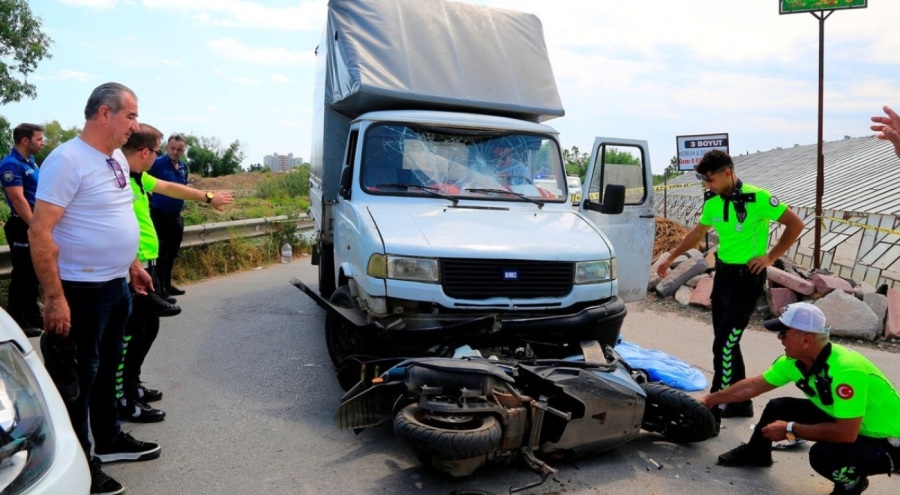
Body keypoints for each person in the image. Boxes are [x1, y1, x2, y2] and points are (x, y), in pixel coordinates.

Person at [29, 82, 160, 495]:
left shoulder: (117, 160)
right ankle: (80, 463)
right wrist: (54, 299)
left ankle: (109, 439)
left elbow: (118, 217)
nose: (134, 125)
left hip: (115, 286)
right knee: (77, 380)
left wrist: (133, 265)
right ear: (105, 114)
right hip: (79, 290)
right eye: (131, 116)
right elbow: (40, 232)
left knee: (107, 371)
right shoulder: (67, 160)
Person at [656, 149, 803, 422]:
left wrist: (771, 257)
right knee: (726, 343)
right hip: (722, 277)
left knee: (724, 343)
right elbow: (697, 233)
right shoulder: (713, 202)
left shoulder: (758, 198)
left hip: (747, 280)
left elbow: (795, 223)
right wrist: (672, 257)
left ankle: (715, 405)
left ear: (727, 173)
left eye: (710, 180)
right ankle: (740, 403)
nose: (706, 185)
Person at [700, 302, 900, 495]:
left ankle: (852, 484)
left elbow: (845, 434)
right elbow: (753, 385)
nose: (779, 338)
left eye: (784, 333)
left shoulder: (847, 371)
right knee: (779, 407)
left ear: (806, 340)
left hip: (887, 441)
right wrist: (711, 400)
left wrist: (790, 429)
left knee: (825, 455)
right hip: (852, 423)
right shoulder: (793, 361)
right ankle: (757, 453)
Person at [117, 124, 232, 423]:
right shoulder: (118, 181)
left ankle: (133, 384)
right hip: (133, 266)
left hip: (146, 264)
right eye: (156, 151)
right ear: (146, 152)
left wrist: (208, 197)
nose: (157, 157)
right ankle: (123, 396)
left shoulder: (138, 177)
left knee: (148, 327)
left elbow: (170, 188)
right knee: (131, 332)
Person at [1, 123, 45, 337]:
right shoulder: (11, 164)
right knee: (23, 274)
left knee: (34, 273)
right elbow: (18, 199)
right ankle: (19, 321)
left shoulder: (31, 162)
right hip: (22, 224)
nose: (42, 142)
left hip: (34, 221)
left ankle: (32, 315)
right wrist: (35, 226)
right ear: (25, 140)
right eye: (39, 139)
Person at [148, 133, 190, 297]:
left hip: (176, 217)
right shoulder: (157, 164)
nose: (175, 152)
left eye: (179, 149)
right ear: (166, 148)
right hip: (160, 216)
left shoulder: (183, 167)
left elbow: (183, 188)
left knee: (172, 253)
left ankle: (167, 285)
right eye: (172, 148)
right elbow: (143, 181)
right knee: (161, 254)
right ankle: (159, 290)